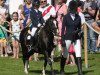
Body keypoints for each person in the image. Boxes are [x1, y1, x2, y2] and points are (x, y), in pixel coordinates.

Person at [60, 1, 83, 75]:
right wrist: (62, 39)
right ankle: (62, 70)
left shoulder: (78, 17)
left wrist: (79, 32)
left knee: (78, 54)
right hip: (68, 37)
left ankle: (80, 71)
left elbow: (79, 28)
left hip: (76, 37)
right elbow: (63, 29)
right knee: (65, 54)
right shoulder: (66, 17)